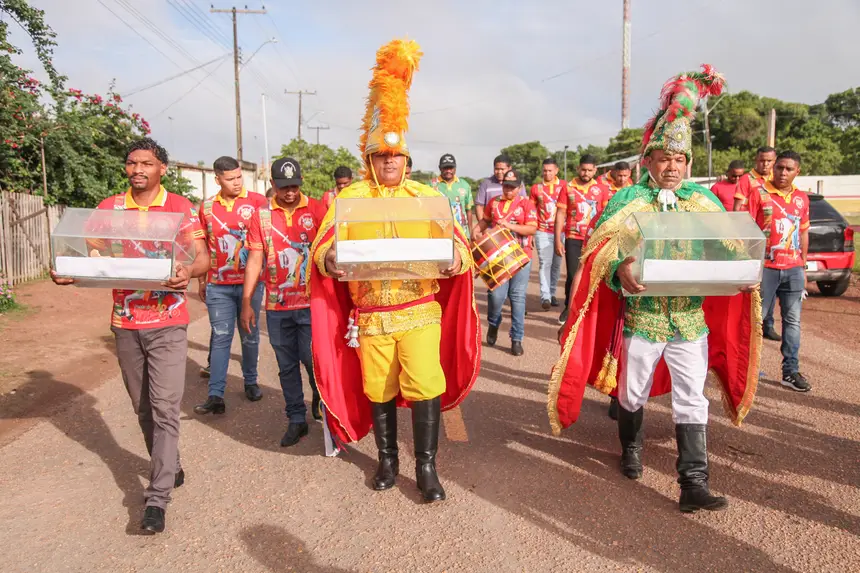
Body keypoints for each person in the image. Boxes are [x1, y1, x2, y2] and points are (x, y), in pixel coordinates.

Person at [548, 65, 761, 514]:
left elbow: (731, 246)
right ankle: (630, 447)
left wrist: (744, 262)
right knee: (631, 393)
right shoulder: (629, 200)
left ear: (688, 164)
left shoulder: (704, 201)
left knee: (691, 396)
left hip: (689, 319)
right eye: (664, 158)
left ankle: (693, 482)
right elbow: (599, 250)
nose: (672, 167)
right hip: (642, 320)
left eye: (680, 160)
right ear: (648, 161)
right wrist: (621, 266)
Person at [308, 38, 480, 502]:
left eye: (397, 156)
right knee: (377, 388)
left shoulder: (428, 198)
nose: (389, 162)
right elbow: (321, 252)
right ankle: (388, 460)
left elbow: (461, 252)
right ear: (370, 158)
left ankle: (426, 467)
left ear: (407, 159)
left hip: (419, 310)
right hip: (371, 317)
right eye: (381, 156)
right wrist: (332, 260)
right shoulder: (349, 200)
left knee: (425, 386)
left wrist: (451, 260)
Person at [51, 137, 209, 534]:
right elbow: (95, 256)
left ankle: (156, 500)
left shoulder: (180, 208)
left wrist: (188, 271)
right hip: (126, 322)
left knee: (165, 408)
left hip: (169, 322)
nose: (138, 169)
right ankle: (168, 465)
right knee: (143, 409)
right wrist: (73, 270)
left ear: (162, 169)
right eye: (132, 163)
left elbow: (204, 257)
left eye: (147, 163)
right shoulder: (109, 210)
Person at [240, 157, 327, 446]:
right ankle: (296, 419)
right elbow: (254, 259)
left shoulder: (317, 210)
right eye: (283, 187)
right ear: (273, 185)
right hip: (277, 308)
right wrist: (247, 300)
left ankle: (323, 402)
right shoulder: (260, 216)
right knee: (286, 365)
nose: (290, 192)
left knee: (313, 360)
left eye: (294, 186)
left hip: (311, 305)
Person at [194, 156, 268, 416]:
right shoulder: (206, 208)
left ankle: (250, 381)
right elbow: (201, 248)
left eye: (239, 177)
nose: (237, 183)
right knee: (222, 336)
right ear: (218, 180)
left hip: (251, 286)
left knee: (249, 336)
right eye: (230, 179)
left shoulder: (259, 203)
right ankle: (215, 394)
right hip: (218, 286)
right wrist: (201, 280)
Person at [746, 150, 811, 392]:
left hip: (793, 269)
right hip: (766, 268)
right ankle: (751, 368)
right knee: (757, 320)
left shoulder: (801, 199)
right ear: (773, 168)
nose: (783, 173)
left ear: (797, 172)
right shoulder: (759, 194)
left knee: (792, 321)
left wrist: (803, 266)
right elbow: (747, 231)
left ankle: (790, 372)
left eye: (789, 169)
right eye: (780, 167)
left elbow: (803, 232)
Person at [475, 169, 537, 355]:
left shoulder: (527, 204)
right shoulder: (494, 203)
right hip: (498, 258)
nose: (508, 190)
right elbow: (485, 221)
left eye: (512, 187)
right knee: (496, 297)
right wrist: (476, 231)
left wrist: (509, 226)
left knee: (517, 298)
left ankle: (516, 338)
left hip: (520, 256)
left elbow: (532, 229)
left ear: (519, 188)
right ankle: (494, 323)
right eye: (506, 186)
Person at [554, 154, 609, 324]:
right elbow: (561, 213)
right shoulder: (568, 187)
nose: (586, 173)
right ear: (578, 169)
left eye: (589, 170)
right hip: (573, 237)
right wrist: (557, 239)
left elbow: (606, 215)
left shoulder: (602, 189)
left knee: (594, 274)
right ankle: (568, 308)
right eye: (583, 169)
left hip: (595, 238)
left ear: (595, 170)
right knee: (572, 275)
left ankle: (589, 309)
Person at [530, 158, 566, 309]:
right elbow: (531, 211)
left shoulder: (565, 186)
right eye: (545, 170)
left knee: (557, 265)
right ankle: (545, 296)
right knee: (545, 263)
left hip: (561, 231)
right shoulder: (536, 188)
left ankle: (552, 293)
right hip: (542, 231)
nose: (547, 173)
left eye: (550, 170)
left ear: (556, 170)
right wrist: (532, 232)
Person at [475, 154, 526, 223]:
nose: (499, 172)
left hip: (515, 227)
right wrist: (483, 228)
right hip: (491, 229)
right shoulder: (485, 184)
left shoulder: (518, 183)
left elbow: (524, 204)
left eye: (502, 169)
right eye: (496, 169)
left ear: (509, 168)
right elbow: (479, 207)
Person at [434, 153, 474, 239]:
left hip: (462, 234)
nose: (448, 171)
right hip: (440, 234)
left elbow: (468, 210)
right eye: (445, 168)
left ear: (455, 168)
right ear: (440, 168)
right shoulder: (432, 186)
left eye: (451, 168)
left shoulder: (464, 185)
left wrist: (470, 233)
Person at [733, 146, 776, 212]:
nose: (765, 164)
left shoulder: (777, 178)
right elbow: (737, 208)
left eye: (769, 161)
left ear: (775, 161)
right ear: (756, 160)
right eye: (762, 160)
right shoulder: (745, 179)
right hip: (751, 220)